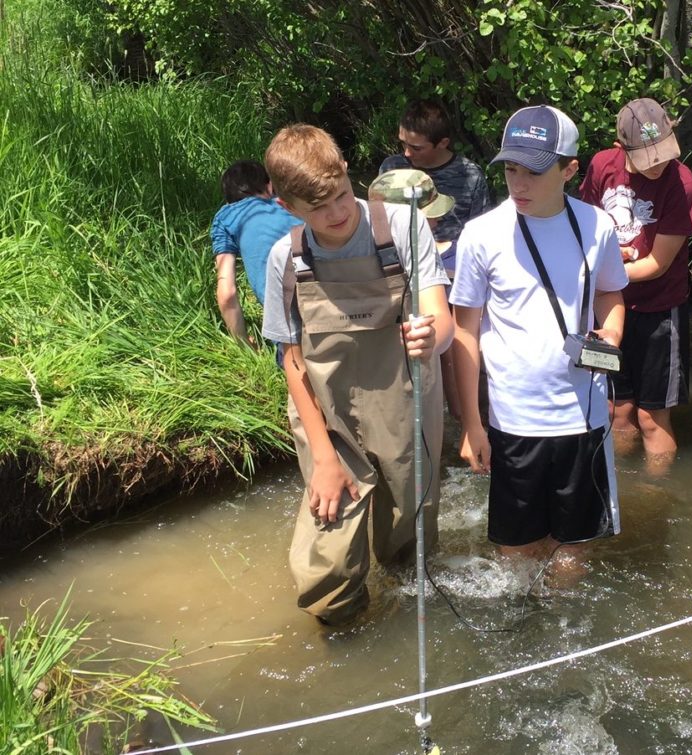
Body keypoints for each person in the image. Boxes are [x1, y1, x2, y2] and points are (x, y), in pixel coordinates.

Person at [261, 125, 454, 627]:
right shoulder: (287, 258)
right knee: (327, 563)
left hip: (406, 406)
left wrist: (431, 337)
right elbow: (292, 362)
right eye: (318, 208)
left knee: (407, 551)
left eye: (342, 195)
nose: (338, 213)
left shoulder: (404, 227)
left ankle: (400, 624)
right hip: (330, 420)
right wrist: (324, 458)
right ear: (287, 207)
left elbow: (443, 317)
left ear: (348, 172)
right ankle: (343, 638)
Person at [450, 105, 628, 579]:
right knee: (516, 550)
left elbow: (611, 291)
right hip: (513, 420)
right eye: (510, 169)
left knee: (573, 550)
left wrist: (610, 332)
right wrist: (472, 424)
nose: (518, 183)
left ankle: (564, 633)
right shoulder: (480, 236)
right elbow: (464, 331)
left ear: (570, 169)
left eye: (533, 171)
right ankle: (521, 636)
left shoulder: (598, 226)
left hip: (584, 418)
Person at [579, 98, 692, 476]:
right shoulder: (602, 166)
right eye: (649, 159)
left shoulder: (683, 185)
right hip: (608, 306)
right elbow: (586, 224)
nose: (659, 165)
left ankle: (655, 494)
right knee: (617, 408)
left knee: (651, 415)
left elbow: (658, 263)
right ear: (621, 149)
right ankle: (619, 484)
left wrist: (603, 271)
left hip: (659, 310)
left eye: (664, 154)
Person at [378, 98, 490, 275]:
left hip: (454, 268)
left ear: (443, 143)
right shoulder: (391, 168)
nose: (407, 153)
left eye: (416, 148)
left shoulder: (471, 175)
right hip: (401, 265)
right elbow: (380, 223)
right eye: (403, 143)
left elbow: (481, 233)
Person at [209, 160, 302, 346]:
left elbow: (226, 293)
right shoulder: (292, 204)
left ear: (228, 198)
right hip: (335, 300)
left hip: (288, 325)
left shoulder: (226, 217)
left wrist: (243, 343)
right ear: (269, 186)